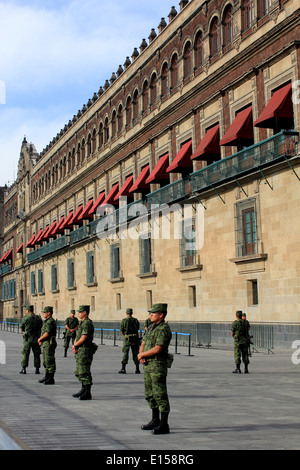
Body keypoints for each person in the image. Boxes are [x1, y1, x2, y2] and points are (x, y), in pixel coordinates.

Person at [138, 303, 172, 435]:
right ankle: (155, 419)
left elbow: (158, 348)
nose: (150, 315)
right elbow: (144, 342)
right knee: (150, 394)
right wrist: (141, 354)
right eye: (150, 313)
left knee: (160, 394)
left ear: (161, 315)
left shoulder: (163, 329)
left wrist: (142, 354)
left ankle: (164, 424)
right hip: (148, 364)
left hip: (157, 365)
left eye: (153, 313)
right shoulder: (151, 327)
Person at [72, 305, 97, 400]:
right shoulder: (82, 323)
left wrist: (76, 345)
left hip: (85, 349)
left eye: (80, 312)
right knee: (79, 371)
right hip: (80, 349)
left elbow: (84, 337)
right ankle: (83, 389)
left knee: (84, 371)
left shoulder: (87, 323)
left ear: (85, 313)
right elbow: (78, 336)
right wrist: (75, 345)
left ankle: (87, 392)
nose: (78, 313)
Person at [38, 306, 57, 384]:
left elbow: (47, 333)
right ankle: (47, 376)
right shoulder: (47, 321)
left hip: (49, 343)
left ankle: (51, 378)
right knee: (46, 361)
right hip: (46, 343)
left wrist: (40, 339)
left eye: (44, 312)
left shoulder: (50, 322)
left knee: (49, 360)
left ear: (49, 313)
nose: (43, 314)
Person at [19, 305, 41, 375]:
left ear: (28, 310)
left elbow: (21, 328)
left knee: (25, 353)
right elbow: (40, 327)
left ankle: (24, 368)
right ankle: (37, 369)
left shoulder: (25, 318)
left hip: (27, 339)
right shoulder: (38, 318)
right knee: (37, 354)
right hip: (36, 338)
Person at [119, 308, 140, 374]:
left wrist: (126, 335)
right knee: (135, 353)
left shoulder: (124, 320)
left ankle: (123, 368)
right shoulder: (135, 320)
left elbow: (122, 330)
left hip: (127, 339)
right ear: (132, 313)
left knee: (125, 353)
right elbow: (137, 328)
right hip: (135, 339)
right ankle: (137, 369)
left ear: (126, 313)